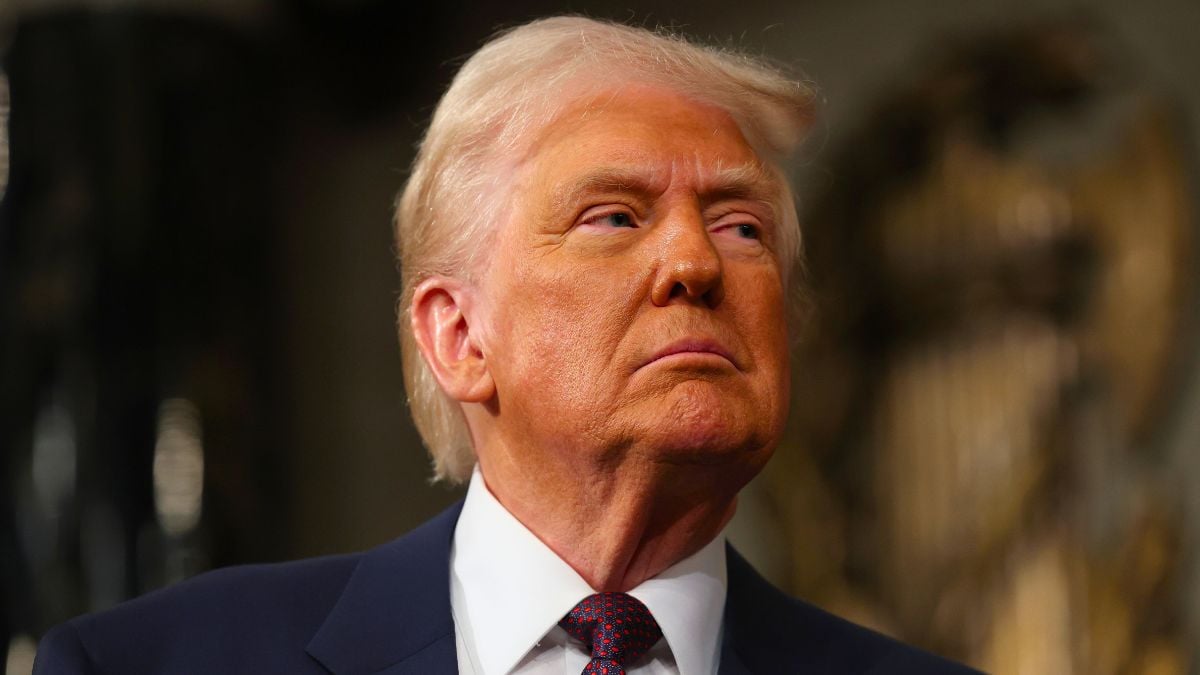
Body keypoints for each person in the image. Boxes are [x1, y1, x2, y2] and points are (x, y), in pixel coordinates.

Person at [34, 16, 978, 675]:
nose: (696, 261)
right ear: (458, 335)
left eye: (742, 228)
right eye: (614, 217)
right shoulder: (158, 664)